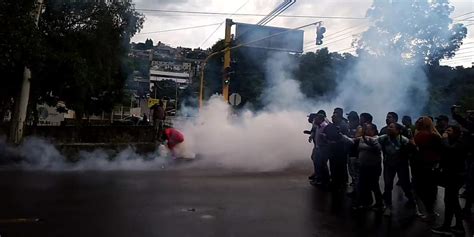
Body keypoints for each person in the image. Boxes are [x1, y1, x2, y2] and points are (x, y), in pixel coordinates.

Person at [431, 125, 468, 235]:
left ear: (456, 133)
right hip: (451, 175)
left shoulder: (460, 143)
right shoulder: (452, 142)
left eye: (449, 130)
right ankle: (458, 226)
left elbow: (450, 151)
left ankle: (447, 227)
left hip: (456, 176)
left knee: (450, 201)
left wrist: (444, 139)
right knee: (453, 202)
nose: (446, 132)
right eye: (446, 130)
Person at [378, 122, 415, 216]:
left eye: (391, 127)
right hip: (389, 164)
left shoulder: (404, 140)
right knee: (388, 185)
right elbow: (374, 140)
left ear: (398, 130)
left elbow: (412, 149)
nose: (389, 129)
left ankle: (411, 199)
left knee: (405, 183)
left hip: (401, 165)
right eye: (388, 127)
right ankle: (388, 206)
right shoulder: (384, 138)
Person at [344, 123, 383, 210]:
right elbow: (352, 140)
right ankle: (364, 203)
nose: (365, 130)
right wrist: (341, 136)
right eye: (365, 129)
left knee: (374, 186)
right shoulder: (362, 138)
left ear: (373, 130)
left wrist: (371, 141)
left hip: (373, 167)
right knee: (362, 185)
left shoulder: (377, 138)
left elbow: (378, 148)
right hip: (363, 166)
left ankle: (380, 204)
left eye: (368, 129)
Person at [412, 116, 442, 221]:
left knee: (427, 190)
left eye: (421, 121)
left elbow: (440, 151)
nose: (418, 122)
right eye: (418, 121)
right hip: (419, 164)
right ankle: (429, 211)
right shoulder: (418, 134)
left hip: (429, 165)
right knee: (421, 189)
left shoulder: (433, 136)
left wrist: (437, 163)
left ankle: (430, 212)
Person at [309, 110, 331, 188]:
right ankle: (319, 178)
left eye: (316, 119)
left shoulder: (324, 125)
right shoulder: (318, 125)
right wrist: (311, 135)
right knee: (318, 162)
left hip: (323, 148)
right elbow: (314, 131)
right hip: (318, 147)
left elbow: (328, 137)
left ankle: (323, 180)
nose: (314, 120)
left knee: (322, 164)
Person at [346, 111, 360, 191]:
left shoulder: (359, 129)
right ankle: (355, 189)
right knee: (352, 173)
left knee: (356, 174)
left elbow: (355, 141)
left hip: (355, 155)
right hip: (350, 153)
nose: (349, 122)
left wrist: (344, 138)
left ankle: (357, 192)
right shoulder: (350, 128)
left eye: (350, 120)